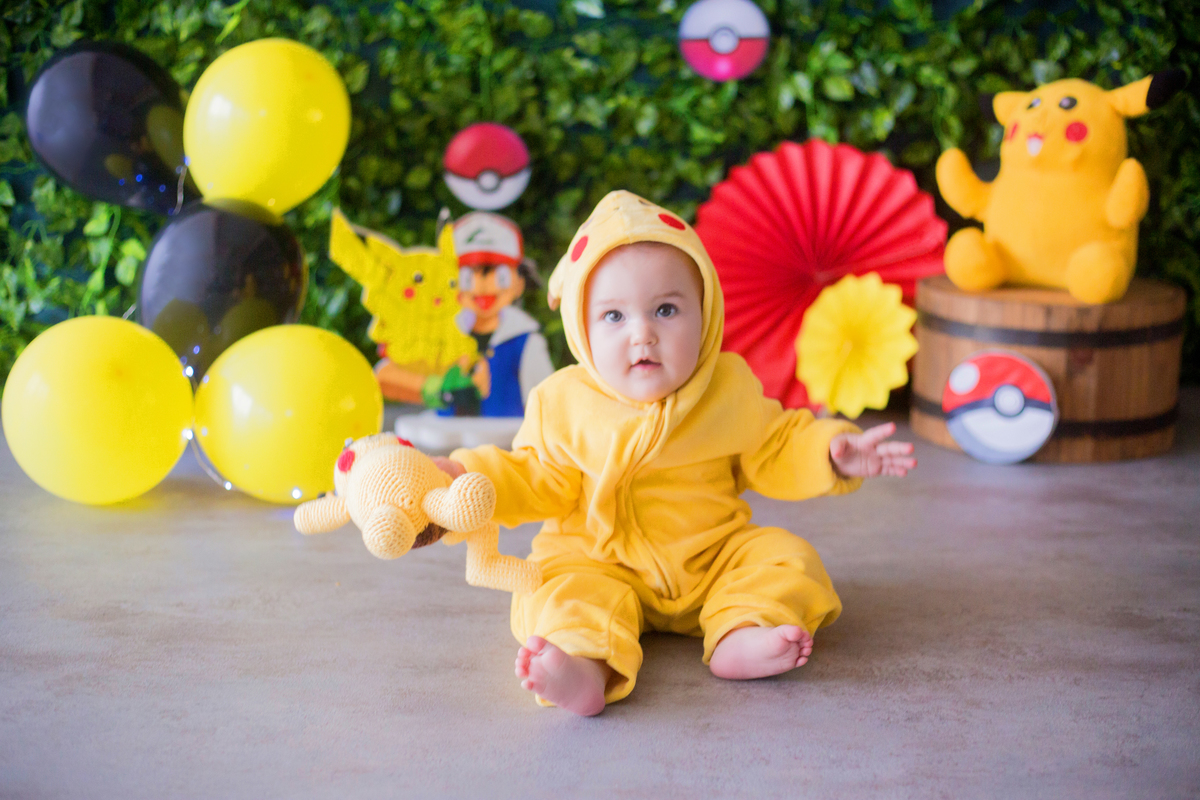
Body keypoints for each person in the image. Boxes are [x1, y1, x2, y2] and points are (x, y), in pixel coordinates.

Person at [432, 191, 915, 716]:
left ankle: (741, 628)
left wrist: (830, 451)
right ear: (580, 328)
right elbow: (532, 474)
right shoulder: (562, 402)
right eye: (613, 316)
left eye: (666, 309)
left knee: (788, 557)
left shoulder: (727, 387)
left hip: (712, 558)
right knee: (554, 590)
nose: (643, 333)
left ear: (705, 315)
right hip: (597, 560)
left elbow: (775, 445)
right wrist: (464, 477)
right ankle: (583, 666)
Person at [437, 211, 554, 417]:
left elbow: (548, 402)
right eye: (467, 276)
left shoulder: (526, 341)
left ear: (519, 283)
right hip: (445, 442)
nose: (481, 287)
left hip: (508, 442)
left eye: (498, 276)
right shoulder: (445, 335)